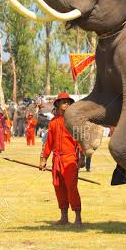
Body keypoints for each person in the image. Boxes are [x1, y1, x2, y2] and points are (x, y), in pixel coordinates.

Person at [39, 92, 84, 226]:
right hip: (56, 159)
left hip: (70, 159)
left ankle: (78, 217)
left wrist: (81, 158)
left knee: (71, 187)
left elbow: (80, 141)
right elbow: (48, 143)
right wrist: (43, 158)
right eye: (63, 102)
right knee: (58, 186)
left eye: (68, 102)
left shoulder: (74, 122)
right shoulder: (53, 122)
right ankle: (64, 217)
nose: (66, 104)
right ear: (58, 104)